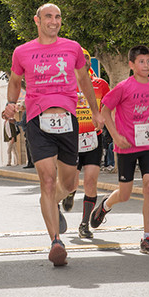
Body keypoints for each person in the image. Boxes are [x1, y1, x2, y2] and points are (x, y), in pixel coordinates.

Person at [2, 2, 103, 267]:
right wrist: (10, 104)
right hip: (37, 119)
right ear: (37, 20)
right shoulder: (23, 51)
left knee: (69, 184)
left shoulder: (73, 48)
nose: (54, 21)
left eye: (58, 16)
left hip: (68, 119)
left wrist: (95, 112)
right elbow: (14, 81)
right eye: (48, 16)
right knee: (47, 181)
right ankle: (56, 242)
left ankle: (56, 201)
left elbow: (84, 80)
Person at [90, 45, 149, 255]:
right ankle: (105, 205)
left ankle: (147, 238)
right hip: (126, 146)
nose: (146, 65)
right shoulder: (123, 87)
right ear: (131, 65)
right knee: (125, 195)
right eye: (141, 61)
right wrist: (116, 136)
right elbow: (105, 111)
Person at [61, 49, 110, 239]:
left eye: (86, 61)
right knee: (70, 183)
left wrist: (105, 121)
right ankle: (69, 193)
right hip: (71, 140)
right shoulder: (64, 85)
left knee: (90, 181)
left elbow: (108, 107)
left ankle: (84, 224)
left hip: (93, 138)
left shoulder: (100, 84)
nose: (84, 64)